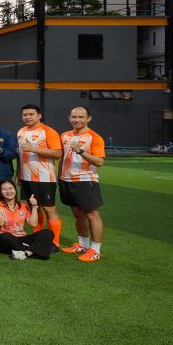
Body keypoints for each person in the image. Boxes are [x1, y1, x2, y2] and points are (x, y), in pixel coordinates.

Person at [58, 106, 107, 262]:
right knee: (78, 214)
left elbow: (99, 162)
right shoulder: (65, 135)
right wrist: (60, 177)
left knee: (92, 215)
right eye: (74, 117)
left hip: (85, 180)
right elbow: (63, 158)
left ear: (88, 119)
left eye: (81, 117)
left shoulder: (95, 137)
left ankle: (96, 249)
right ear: (69, 118)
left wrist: (81, 151)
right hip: (66, 180)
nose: (77, 120)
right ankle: (83, 244)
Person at [17, 104, 63, 246]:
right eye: (25, 114)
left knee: (49, 208)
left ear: (39, 115)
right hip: (26, 177)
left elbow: (57, 153)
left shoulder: (49, 131)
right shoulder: (21, 131)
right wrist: (18, 173)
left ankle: (54, 242)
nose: (28, 117)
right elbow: (20, 155)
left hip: (44, 177)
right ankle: (37, 236)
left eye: (31, 114)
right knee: (33, 207)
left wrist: (33, 149)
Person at [0, 180, 56, 260]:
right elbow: (0, 223)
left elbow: (33, 224)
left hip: (21, 238)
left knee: (48, 233)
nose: (8, 191)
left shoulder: (23, 206)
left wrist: (34, 206)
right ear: (0, 192)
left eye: (11, 188)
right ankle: (35, 249)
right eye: (4, 189)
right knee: (5, 236)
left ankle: (26, 253)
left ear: (15, 190)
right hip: (5, 239)